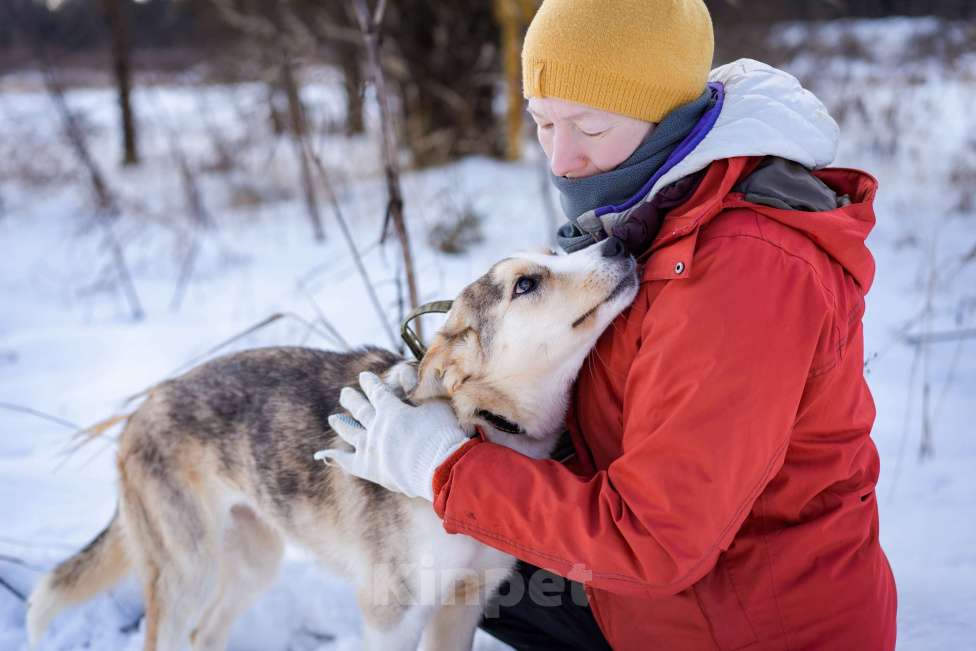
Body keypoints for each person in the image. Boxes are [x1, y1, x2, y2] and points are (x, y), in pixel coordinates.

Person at [319, 0, 898, 649]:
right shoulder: (651, 207)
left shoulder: (744, 270)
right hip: (685, 590)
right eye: (543, 123)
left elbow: (655, 542)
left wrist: (443, 466)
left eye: (588, 128)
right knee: (448, 550)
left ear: (665, 119)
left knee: (456, 549)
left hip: (744, 625)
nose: (561, 159)